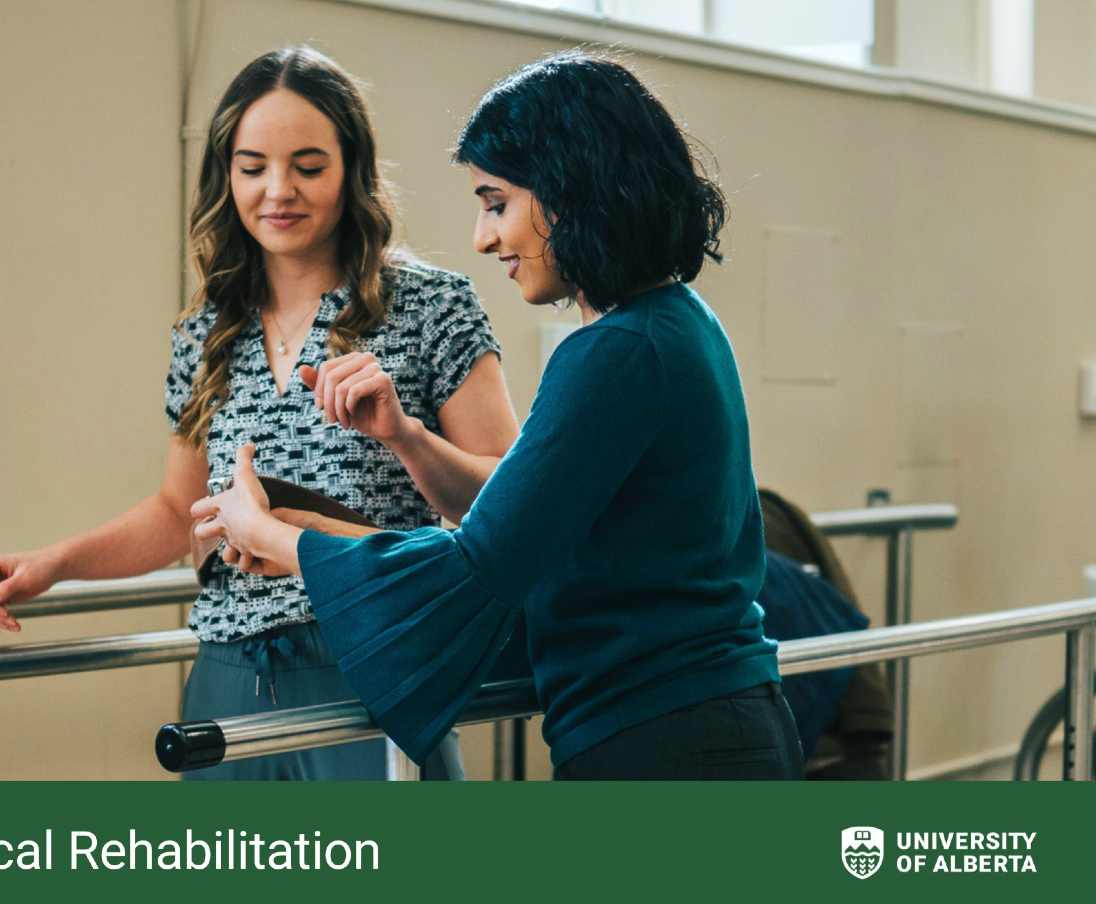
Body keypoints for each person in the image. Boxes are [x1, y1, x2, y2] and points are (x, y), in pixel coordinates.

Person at [192, 51, 804, 780]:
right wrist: (405, 436)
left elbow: (474, 570)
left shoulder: (616, 352)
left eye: (496, 202)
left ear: (570, 192)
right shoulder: (673, 324)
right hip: (694, 723)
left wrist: (271, 533)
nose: (486, 238)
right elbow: (513, 520)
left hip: (668, 737)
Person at [0, 47, 519, 780]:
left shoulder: (430, 306)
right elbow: (177, 509)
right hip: (227, 680)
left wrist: (407, 435)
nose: (277, 190)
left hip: (371, 662)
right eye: (252, 165)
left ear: (351, 169)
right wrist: (54, 564)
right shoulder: (208, 328)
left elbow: (506, 500)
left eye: (308, 166)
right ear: (226, 175)